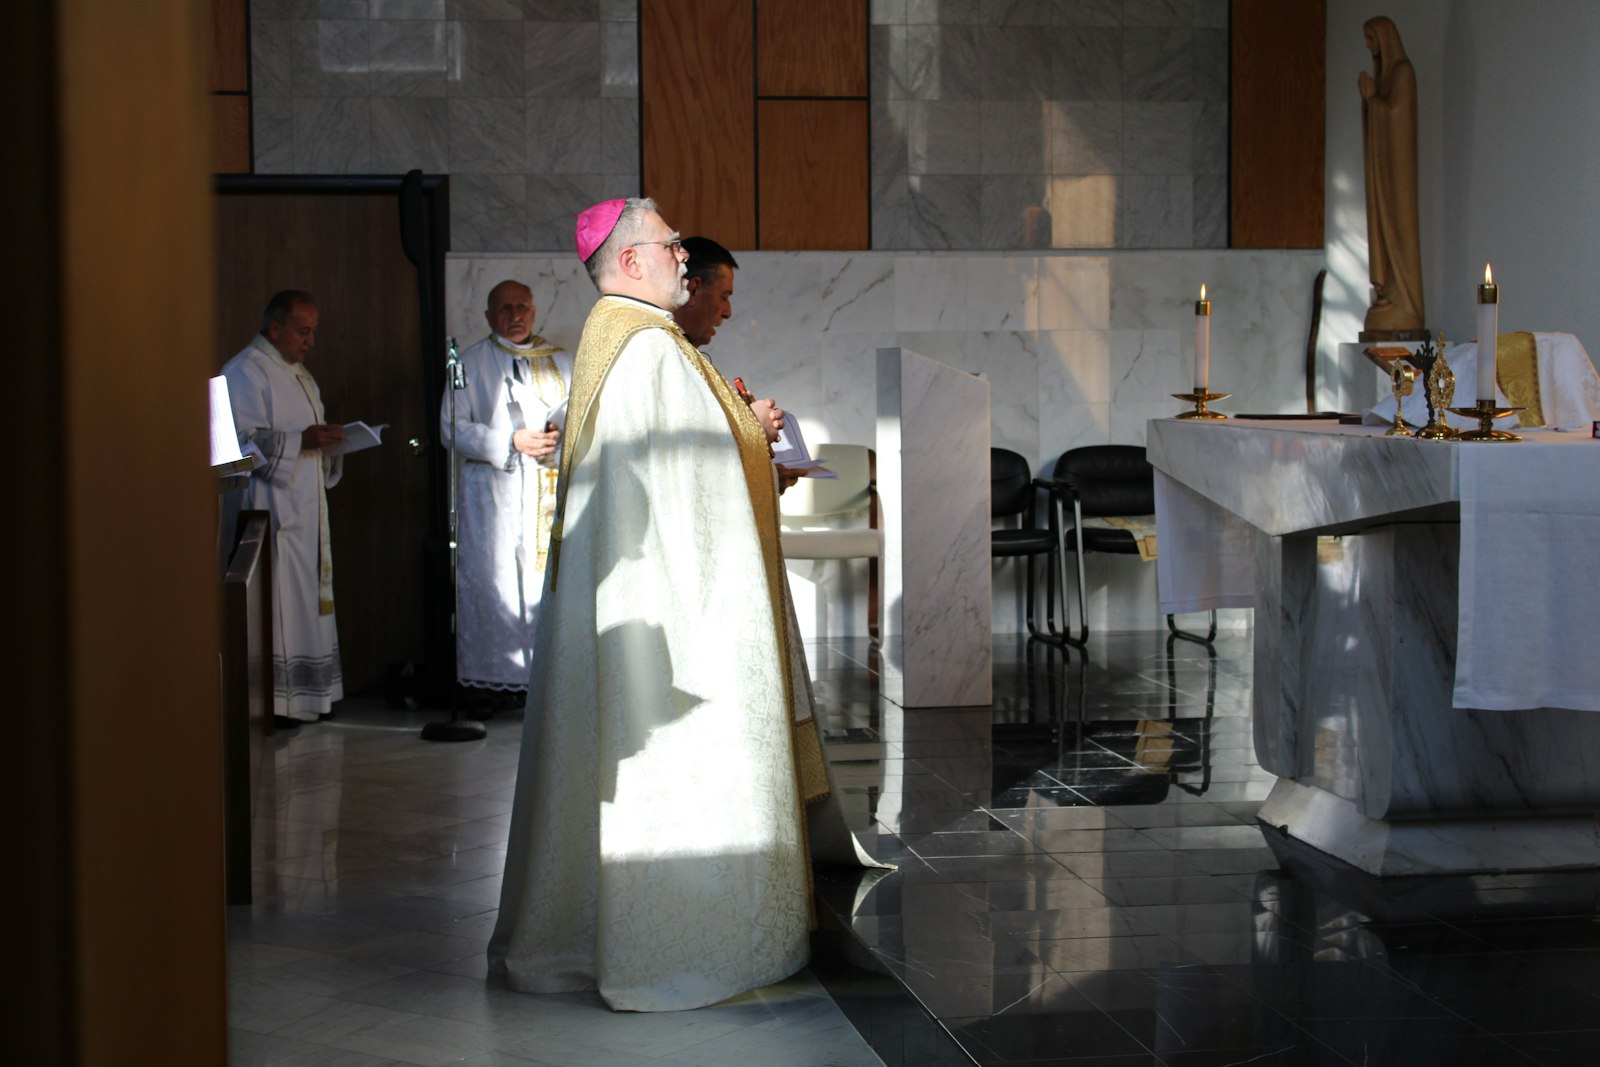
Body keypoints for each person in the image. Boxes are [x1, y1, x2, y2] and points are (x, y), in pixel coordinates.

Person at [490, 198, 828, 1012]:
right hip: (672, 621)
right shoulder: (646, 349)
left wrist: (745, 434)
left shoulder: (627, 339)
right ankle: (692, 940)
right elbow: (694, 483)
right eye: (672, 244)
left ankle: (586, 934)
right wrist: (753, 430)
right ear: (632, 260)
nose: (685, 255)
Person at [440, 280, 573, 714]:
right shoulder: (472, 362)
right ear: (488, 316)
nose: (514, 315)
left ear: (534, 312)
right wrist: (510, 441)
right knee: (496, 582)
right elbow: (451, 428)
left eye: (521, 307)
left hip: (548, 491)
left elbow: (584, 417)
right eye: (504, 308)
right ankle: (493, 686)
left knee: (544, 583)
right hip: (493, 494)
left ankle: (546, 686)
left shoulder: (562, 361)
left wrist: (559, 434)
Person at [221, 290, 345, 726]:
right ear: (276, 328)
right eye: (302, 330)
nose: (310, 340)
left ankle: (310, 698)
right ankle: (275, 704)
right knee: (276, 603)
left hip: (306, 510)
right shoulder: (244, 371)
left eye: (314, 331)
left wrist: (330, 443)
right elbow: (231, 449)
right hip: (267, 512)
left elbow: (309, 439)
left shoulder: (301, 375)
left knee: (304, 600)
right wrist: (301, 442)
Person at [1359, 15, 1426, 339]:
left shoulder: (1402, 73)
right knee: (1384, 232)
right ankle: (1390, 295)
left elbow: (1399, 115)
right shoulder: (1384, 75)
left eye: (1371, 39)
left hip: (1399, 174)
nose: (1369, 47)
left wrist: (1374, 101)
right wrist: (1370, 102)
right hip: (1383, 170)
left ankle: (1405, 302)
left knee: (1399, 230)